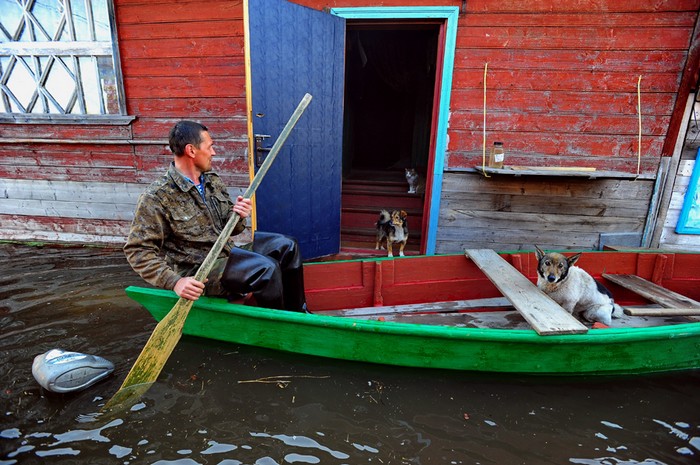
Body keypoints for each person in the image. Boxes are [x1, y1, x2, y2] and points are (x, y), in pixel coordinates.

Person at [124, 120, 308, 312]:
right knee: (265, 268)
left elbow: (233, 229)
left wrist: (238, 214)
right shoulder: (157, 197)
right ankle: (277, 327)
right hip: (200, 271)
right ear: (191, 151)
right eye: (210, 147)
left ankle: (299, 313)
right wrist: (175, 282)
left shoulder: (211, 180)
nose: (214, 152)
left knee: (287, 246)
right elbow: (138, 251)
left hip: (228, 256)